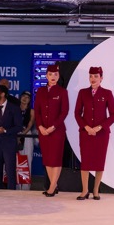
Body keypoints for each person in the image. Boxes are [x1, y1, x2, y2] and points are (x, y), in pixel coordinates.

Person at [75, 66, 114, 201]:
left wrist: (100, 127)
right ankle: (84, 190)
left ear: (101, 78)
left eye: (96, 76)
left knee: (99, 161)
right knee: (85, 161)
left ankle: (95, 190)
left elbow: (113, 115)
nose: (93, 79)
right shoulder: (83, 93)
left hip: (101, 134)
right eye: (91, 76)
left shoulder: (107, 93)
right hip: (86, 133)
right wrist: (86, 127)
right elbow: (77, 113)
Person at [35, 64, 70, 197]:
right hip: (43, 131)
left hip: (57, 131)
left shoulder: (62, 92)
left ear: (58, 76)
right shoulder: (40, 91)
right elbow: (37, 111)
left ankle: (51, 188)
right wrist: (40, 126)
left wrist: (53, 127)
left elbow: (64, 112)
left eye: (55, 74)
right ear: (46, 76)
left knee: (56, 159)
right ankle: (53, 185)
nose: (53, 77)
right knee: (47, 159)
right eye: (50, 74)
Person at [0, 84, 23, 190]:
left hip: (9, 144)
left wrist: (5, 130)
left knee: (10, 171)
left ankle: (11, 193)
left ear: (2, 94)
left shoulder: (14, 108)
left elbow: (19, 126)